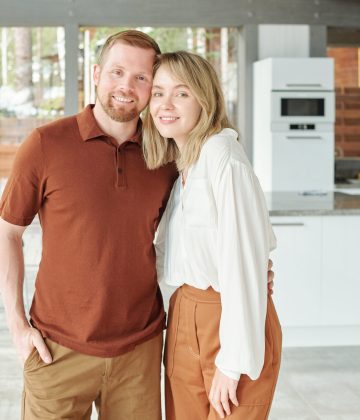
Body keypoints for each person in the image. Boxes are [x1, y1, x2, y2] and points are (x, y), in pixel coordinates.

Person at [0, 31, 275, 419]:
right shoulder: (46, 144)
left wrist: (244, 272)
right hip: (58, 348)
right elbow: (7, 233)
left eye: (142, 78)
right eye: (117, 72)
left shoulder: (166, 154)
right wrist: (16, 325)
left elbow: (201, 234)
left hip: (140, 352)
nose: (127, 87)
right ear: (96, 73)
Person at [142, 51, 282, 420]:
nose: (165, 104)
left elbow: (243, 265)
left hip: (229, 318)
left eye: (181, 93)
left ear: (206, 98)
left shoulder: (225, 157)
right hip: (184, 313)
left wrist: (232, 362)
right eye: (157, 93)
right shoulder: (184, 166)